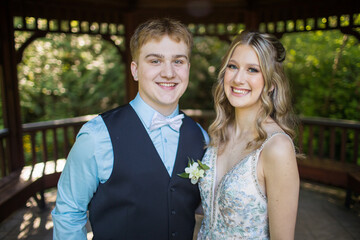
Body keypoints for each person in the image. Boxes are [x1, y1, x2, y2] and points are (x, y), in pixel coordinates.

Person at [52, 18, 209, 240]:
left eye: (178, 61)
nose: (168, 73)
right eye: (155, 61)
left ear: (188, 69)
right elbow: (68, 213)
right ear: (135, 70)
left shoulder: (201, 137)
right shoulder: (97, 136)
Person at [197, 31, 300, 239]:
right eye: (232, 66)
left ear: (271, 83)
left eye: (252, 70)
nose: (238, 78)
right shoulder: (218, 133)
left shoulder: (276, 148)